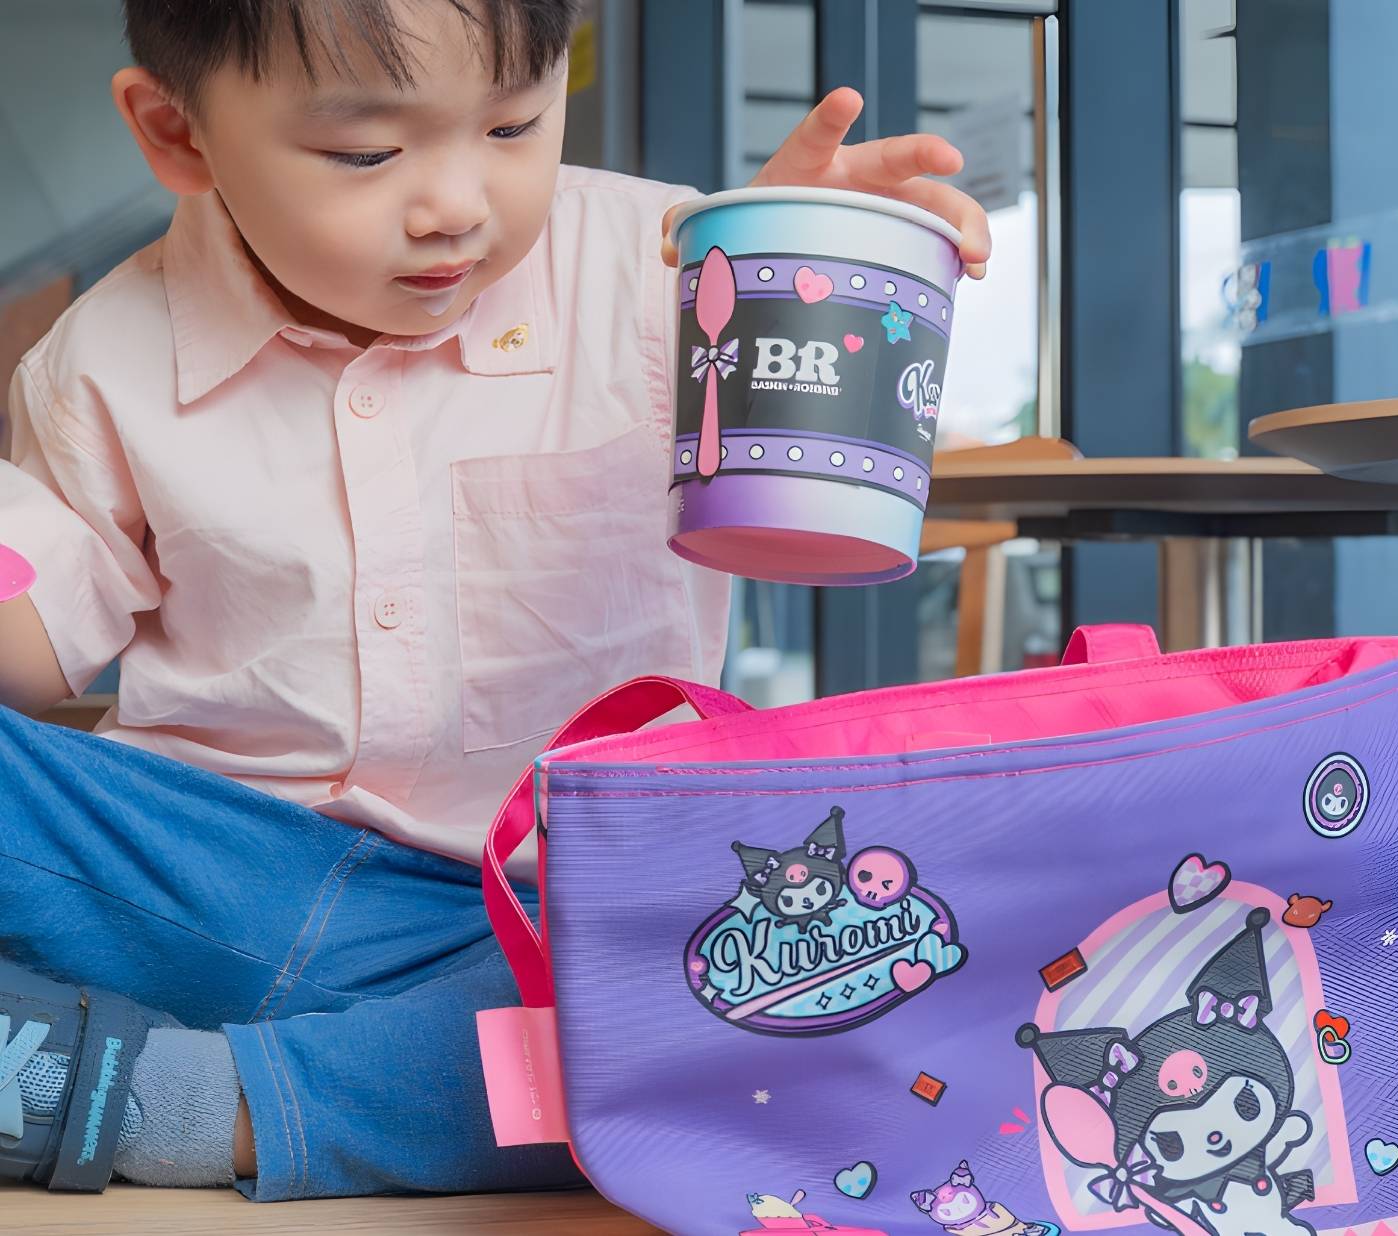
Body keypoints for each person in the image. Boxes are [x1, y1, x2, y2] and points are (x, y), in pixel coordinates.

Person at [0, 0, 989, 1201]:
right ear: (178, 132)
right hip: (213, 879)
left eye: (514, 126)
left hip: (542, 917)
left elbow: (805, 478)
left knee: (763, 979)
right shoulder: (104, 354)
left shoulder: (672, 272)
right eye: (366, 153)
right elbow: (34, 647)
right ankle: (172, 1070)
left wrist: (806, 288)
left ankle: (167, 1097)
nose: (456, 206)